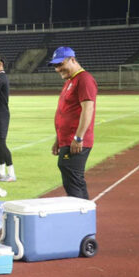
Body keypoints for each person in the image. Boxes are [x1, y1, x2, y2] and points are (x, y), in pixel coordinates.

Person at [49, 47, 97, 199]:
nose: (58, 69)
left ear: (73, 60)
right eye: (55, 66)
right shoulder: (71, 81)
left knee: (73, 180)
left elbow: (88, 109)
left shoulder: (84, 79)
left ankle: (80, 210)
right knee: (72, 177)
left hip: (76, 140)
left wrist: (78, 137)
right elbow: (64, 112)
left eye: (60, 64)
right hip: (67, 139)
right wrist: (58, 139)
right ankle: (83, 209)